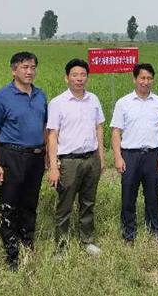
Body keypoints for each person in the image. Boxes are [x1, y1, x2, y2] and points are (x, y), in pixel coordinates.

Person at [0, 52, 47, 271]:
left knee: (30, 203)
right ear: (14, 70)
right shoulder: (1, 97)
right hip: (11, 155)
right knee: (10, 204)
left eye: (32, 67)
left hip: (36, 156)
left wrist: (47, 155)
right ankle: (11, 252)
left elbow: (44, 127)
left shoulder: (40, 95)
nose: (29, 72)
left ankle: (27, 242)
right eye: (24, 67)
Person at [47, 59, 105, 254]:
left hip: (91, 158)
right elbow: (52, 135)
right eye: (75, 75)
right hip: (69, 161)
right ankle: (61, 245)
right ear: (67, 78)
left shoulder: (93, 100)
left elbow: (99, 128)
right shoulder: (58, 103)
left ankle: (87, 240)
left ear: (87, 77)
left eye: (83, 75)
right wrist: (53, 167)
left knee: (88, 202)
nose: (79, 79)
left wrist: (101, 158)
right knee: (65, 204)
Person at [111, 63, 158, 243]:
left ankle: (154, 230)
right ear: (134, 79)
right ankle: (129, 233)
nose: (146, 82)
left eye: (149, 78)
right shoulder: (123, 103)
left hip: (153, 154)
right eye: (142, 78)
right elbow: (116, 131)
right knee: (128, 195)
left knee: (152, 195)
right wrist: (118, 157)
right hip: (130, 155)